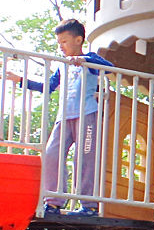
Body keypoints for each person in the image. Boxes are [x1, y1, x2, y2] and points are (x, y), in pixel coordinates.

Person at [28, 19, 113, 218]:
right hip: (64, 117)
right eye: (59, 43)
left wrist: (85, 60)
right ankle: (53, 202)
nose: (61, 46)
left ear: (78, 40)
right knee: (51, 154)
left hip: (86, 115)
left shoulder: (90, 59)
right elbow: (48, 87)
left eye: (64, 42)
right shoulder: (62, 65)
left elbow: (108, 67)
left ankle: (89, 206)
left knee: (84, 158)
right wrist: (22, 81)